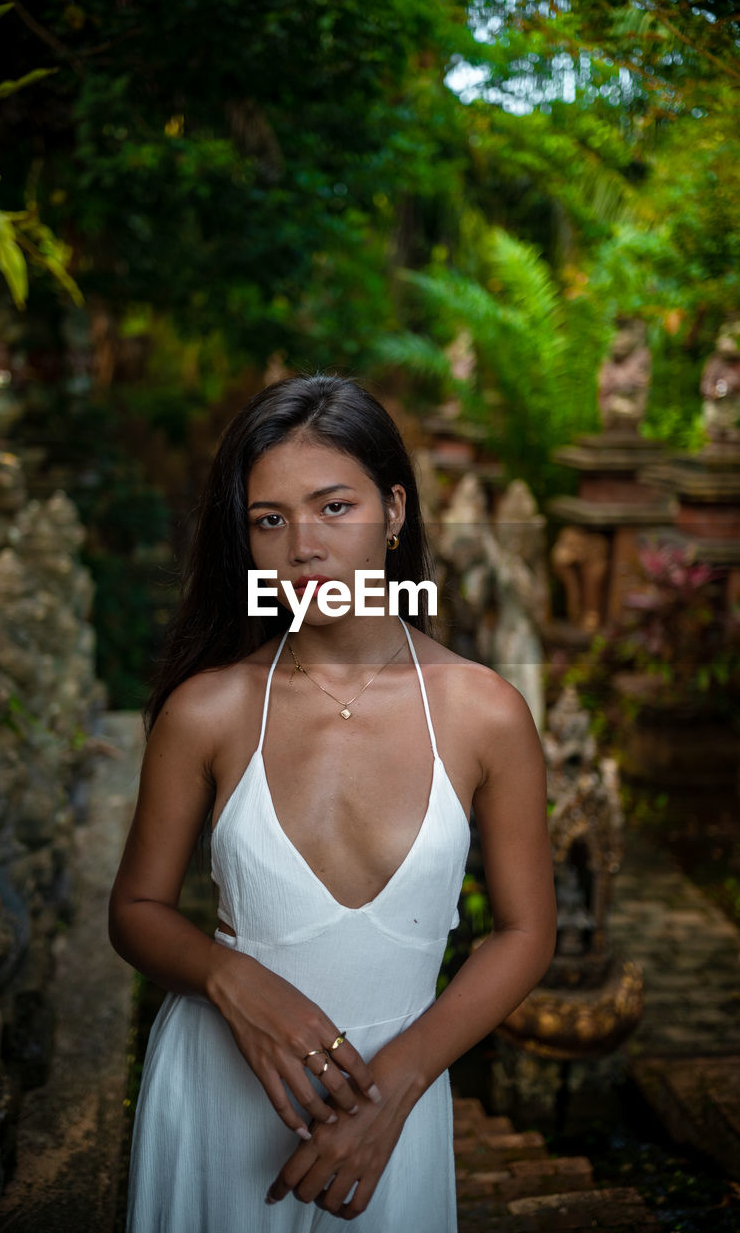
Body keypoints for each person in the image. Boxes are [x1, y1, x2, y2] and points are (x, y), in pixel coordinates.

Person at [109, 373, 557, 1231]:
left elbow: (526, 932)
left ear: (393, 511)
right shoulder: (210, 709)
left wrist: (390, 1093)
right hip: (218, 1094)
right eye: (269, 520)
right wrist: (228, 977)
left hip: (394, 1106)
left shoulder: (482, 712)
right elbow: (134, 909)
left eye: (333, 508)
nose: (301, 546)